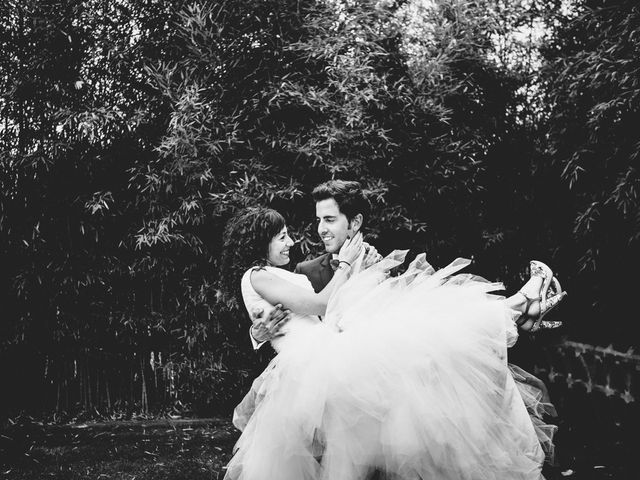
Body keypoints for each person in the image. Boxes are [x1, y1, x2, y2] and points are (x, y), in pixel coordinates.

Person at [220, 205, 566, 480]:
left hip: (326, 352)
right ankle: (518, 307)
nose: (290, 243)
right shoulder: (257, 275)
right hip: (316, 363)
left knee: (432, 341)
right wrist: (345, 265)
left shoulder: (277, 272)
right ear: (258, 242)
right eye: (281, 237)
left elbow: (316, 312)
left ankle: (517, 310)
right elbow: (319, 304)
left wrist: (360, 272)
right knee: (424, 337)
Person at [249, 180, 559, 347]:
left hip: (389, 384)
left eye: (329, 220)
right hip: (341, 380)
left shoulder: (383, 264)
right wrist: (257, 333)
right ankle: (520, 307)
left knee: (440, 311)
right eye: (319, 220)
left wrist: (372, 271)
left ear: (354, 222)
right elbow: (282, 315)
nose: (321, 229)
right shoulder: (304, 271)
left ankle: (516, 308)